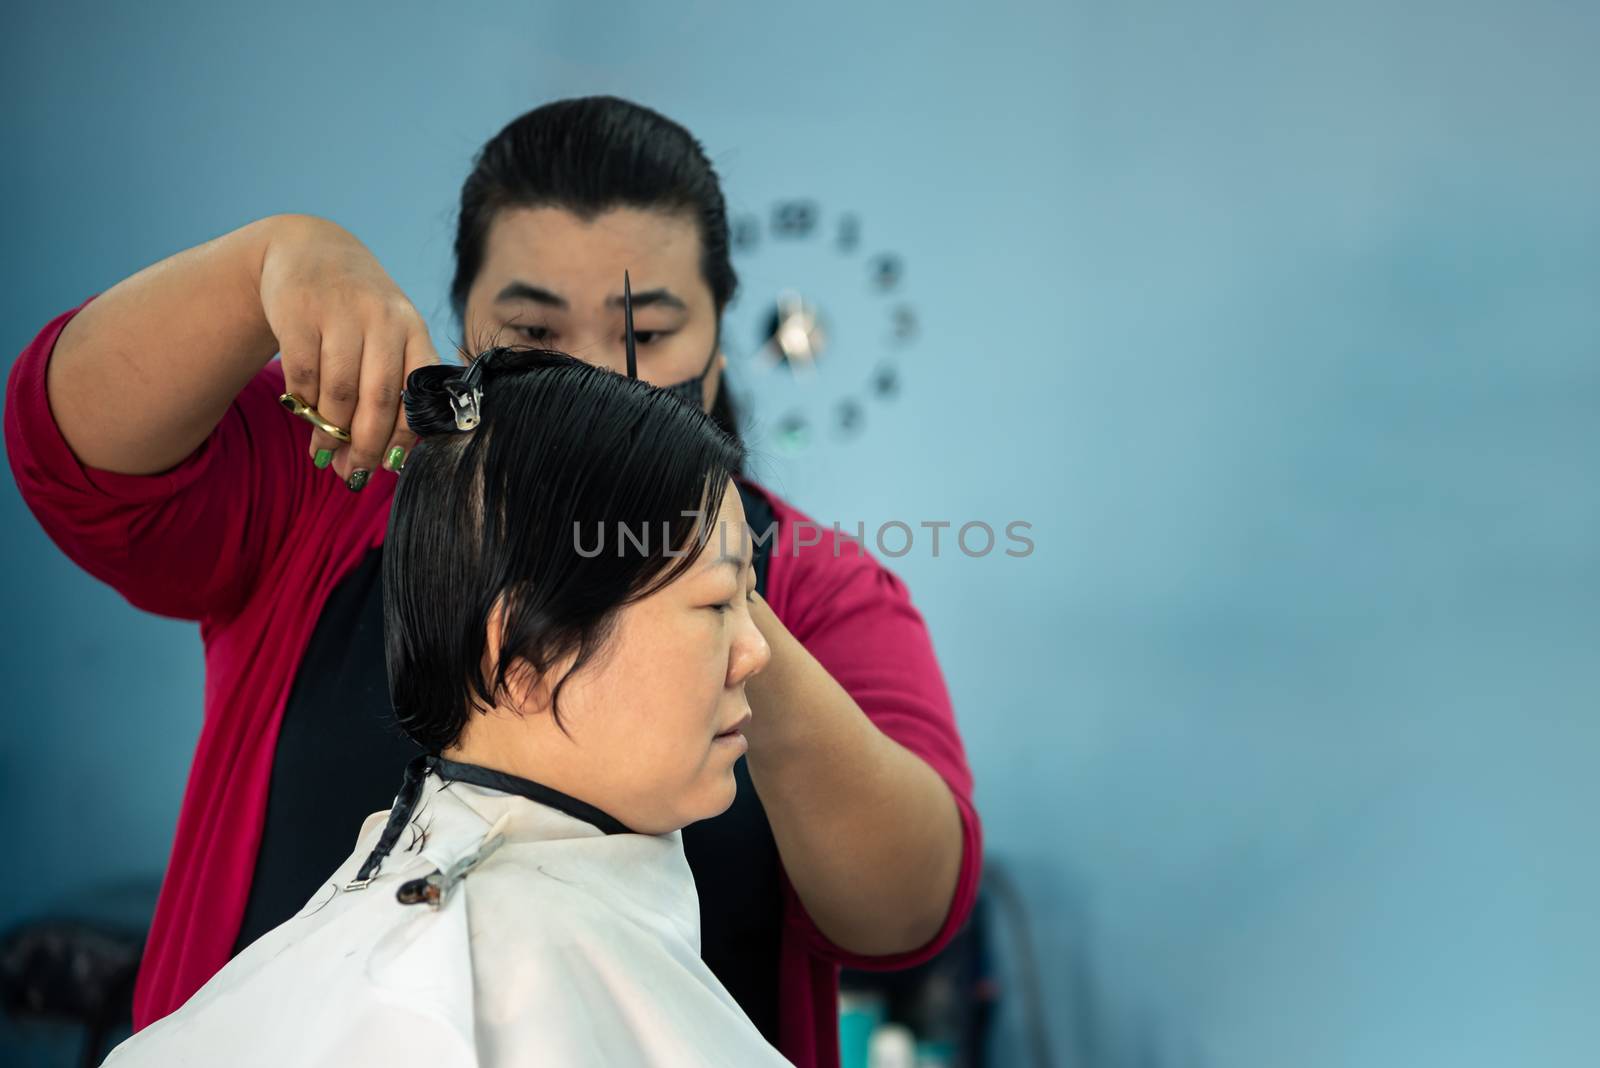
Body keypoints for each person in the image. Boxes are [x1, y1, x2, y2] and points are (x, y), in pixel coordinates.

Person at [5, 95, 981, 1067]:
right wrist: (267, 260)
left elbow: (905, 909)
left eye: (648, 329)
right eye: (535, 331)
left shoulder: (820, 587)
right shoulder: (326, 483)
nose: (597, 372)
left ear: (718, 353)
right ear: (465, 330)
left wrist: (699, 578)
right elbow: (65, 452)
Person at [103, 344, 790, 1066]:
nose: (758, 652)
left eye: (751, 598)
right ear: (530, 659)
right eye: (716, 603)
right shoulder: (426, 1009)